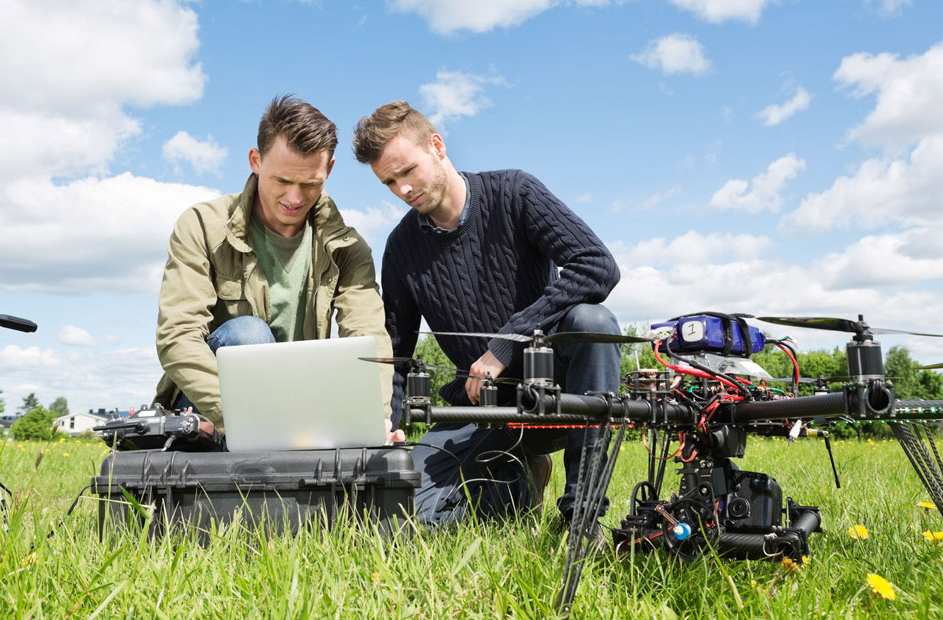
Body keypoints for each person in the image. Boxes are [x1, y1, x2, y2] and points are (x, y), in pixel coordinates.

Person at [351, 101, 621, 527]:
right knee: (398, 516)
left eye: (407, 171)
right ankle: (516, 480)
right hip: (481, 409)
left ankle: (582, 515)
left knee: (594, 323)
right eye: (389, 182)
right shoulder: (401, 247)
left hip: (554, 395)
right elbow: (397, 353)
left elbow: (598, 266)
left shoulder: (514, 192)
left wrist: (505, 344)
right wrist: (383, 422)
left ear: (437, 145)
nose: (402, 189)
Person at [153, 95, 399, 441]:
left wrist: (374, 421)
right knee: (248, 337)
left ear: (328, 170)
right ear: (256, 161)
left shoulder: (347, 248)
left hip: (298, 406)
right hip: (212, 403)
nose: (295, 198)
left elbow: (369, 339)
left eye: (310, 184)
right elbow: (177, 338)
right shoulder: (202, 226)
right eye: (282, 181)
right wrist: (252, 419)